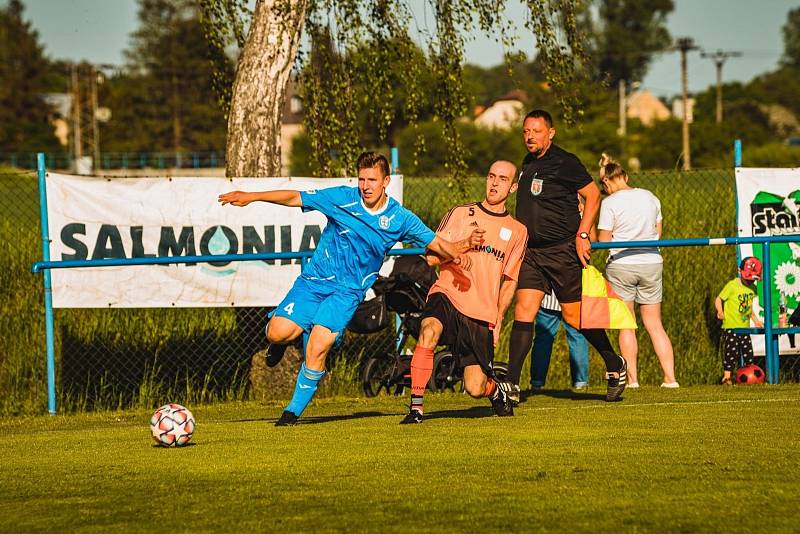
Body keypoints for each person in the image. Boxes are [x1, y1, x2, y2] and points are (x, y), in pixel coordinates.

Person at [219, 151, 483, 426]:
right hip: (314, 282)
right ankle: (285, 338)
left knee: (320, 346)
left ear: (386, 181)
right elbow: (295, 196)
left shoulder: (399, 219)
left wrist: (462, 248)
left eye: (372, 179)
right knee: (277, 333)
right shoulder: (341, 199)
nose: (365, 185)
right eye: (361, 179)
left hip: (347, 292)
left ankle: (291, 413)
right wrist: (251, 196)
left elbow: (438, 244)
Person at [506, 109, 628, 404]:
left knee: (574, 317)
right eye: (525, 131)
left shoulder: (565, 162)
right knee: (524, 311)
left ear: (551, 132)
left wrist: (583, 234)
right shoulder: (527, 163)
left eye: (536, 131)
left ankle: (614, 363)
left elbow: (593, 196)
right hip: (532, 253)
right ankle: (510, 385)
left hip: (562, 251)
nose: (529, 136)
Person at [400, 160, 528, 423]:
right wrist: (463, 245)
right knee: (429, 330)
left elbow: (510, 280)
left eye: (503, 179)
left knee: (474, 387)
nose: (494, 183)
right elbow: (431, 257)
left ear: (513, 187)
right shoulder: (460, 214)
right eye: (491, 176)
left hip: (480, 311)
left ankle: (496, 392)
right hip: (447, 293)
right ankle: (416, 408)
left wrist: (499, 318)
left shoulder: (518, 231)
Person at [596, 154, 678, 388]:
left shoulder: (610, 203)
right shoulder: (650, 197)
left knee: (627, 323)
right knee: (654, 324)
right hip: (651, 261)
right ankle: (670, 378)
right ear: (626, 176)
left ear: (607, 183)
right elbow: (658, 232)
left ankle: (633, 380)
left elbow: (604, 239)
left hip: (622, 264)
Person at [715, 256, 763, 385]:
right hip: (731, 326)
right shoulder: (732, 285)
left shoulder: (753, 288)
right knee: (731, 352)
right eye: (748, 279)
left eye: (753, 279)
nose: (750, 282)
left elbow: (749, 307)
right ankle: (727, 377)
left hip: (744, 327)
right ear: (739, 270)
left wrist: (756, 320)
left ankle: (750, 376)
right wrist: (720, 311)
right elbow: (719, 299)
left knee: (748, 352)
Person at [530, 290, 590, 390]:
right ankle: (581, 383)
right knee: (577, 338)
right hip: (574, 297)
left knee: (543, 341)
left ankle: (536, 382)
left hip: (549, 299)